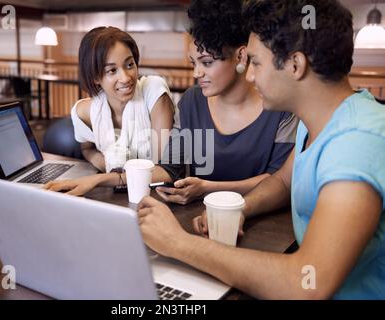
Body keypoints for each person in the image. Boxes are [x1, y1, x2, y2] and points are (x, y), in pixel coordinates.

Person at [137, 0, 385, 299]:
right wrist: (242, 208)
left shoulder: (355, 142)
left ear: (295, 65)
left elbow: (308, 283)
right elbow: (282, 180)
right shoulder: (319, 118)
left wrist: (177, 243)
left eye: (255, 62)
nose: (250, 76)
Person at [46, 0, 298, 200]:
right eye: (193, 63)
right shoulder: (192, 102)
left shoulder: (279, 105)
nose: (196, 73)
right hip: (202, 218)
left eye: (207, 63)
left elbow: (280, 181)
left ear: (241, 56)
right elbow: (169, 169)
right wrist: (98, 179)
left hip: (269, 222)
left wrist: (208, 188)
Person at [44, 26, 175, 195]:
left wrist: (101, 179)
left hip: (161, 194)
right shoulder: (84, 112)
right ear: (95, 77)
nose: (126, 78)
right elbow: (87, 149)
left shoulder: (153, 91)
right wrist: (108, 164)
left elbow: (163, 168)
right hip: (118, 195)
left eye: (129, 64)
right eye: (112, 70)